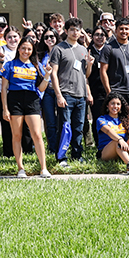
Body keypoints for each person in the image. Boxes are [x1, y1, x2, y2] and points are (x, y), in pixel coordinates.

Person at [0, 35, 53, 179]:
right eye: (23, 48)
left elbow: (41, 89)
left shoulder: (36, 66)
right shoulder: (10, 65)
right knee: (17, 135)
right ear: (19, 48)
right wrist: (5, 108)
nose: (26, 51)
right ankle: (20, 168)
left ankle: (44, 168)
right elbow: (4, 88)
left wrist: (47, 75)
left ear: (32, 50)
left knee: (36, 134)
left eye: (29, 49)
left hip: (32, 100)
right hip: (14, 99)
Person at [48, 17, 93, 166]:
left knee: (78, 127)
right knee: (64, 127)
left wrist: (90, 65)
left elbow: (85, 75)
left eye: (78, 30)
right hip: (65, 94)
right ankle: (61, 157)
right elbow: (53, 73)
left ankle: (77, 154)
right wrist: (59, 95)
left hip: (80, 94)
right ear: (66, 31)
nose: (75, 32)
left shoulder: (83, 49)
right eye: (72, 29)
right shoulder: (59, 48)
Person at [99, 19, 129, 118]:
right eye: (121, 29)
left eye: (126, 29)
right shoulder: (108, 48)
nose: (124, 31)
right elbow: (103, 71)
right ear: (116, 31)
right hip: (116, 91)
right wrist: (109, 92)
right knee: (115, 122)